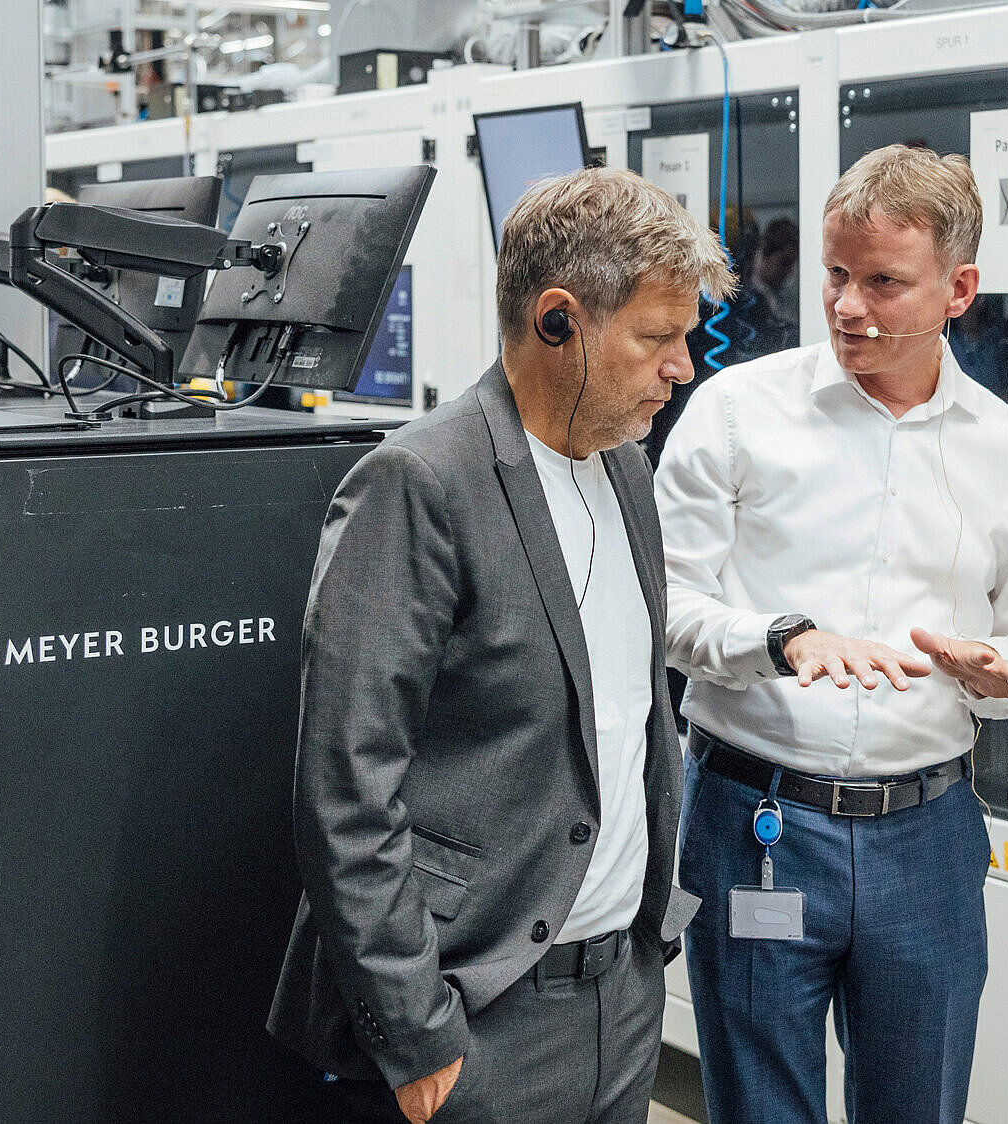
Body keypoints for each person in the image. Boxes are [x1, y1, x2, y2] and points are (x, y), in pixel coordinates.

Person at [267, 166, 731, 1124]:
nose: (683, 366)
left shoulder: (628, 471)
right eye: (658, 338)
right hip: (481, 1013)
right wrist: (415, 1031)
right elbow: (345, 786)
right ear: (560, 321)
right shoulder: (419, 484)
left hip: (621, 993)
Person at [655, 144, 1008, 1124]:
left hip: (925, 839)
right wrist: (781, 639)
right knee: (759, 1104)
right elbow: (661, 600)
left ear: (957, 288)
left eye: (883, 281)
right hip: (757, 823)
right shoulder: (735, 411)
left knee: (918, 1102)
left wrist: (995, 667)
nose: (847, 305)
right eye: (835, 275)